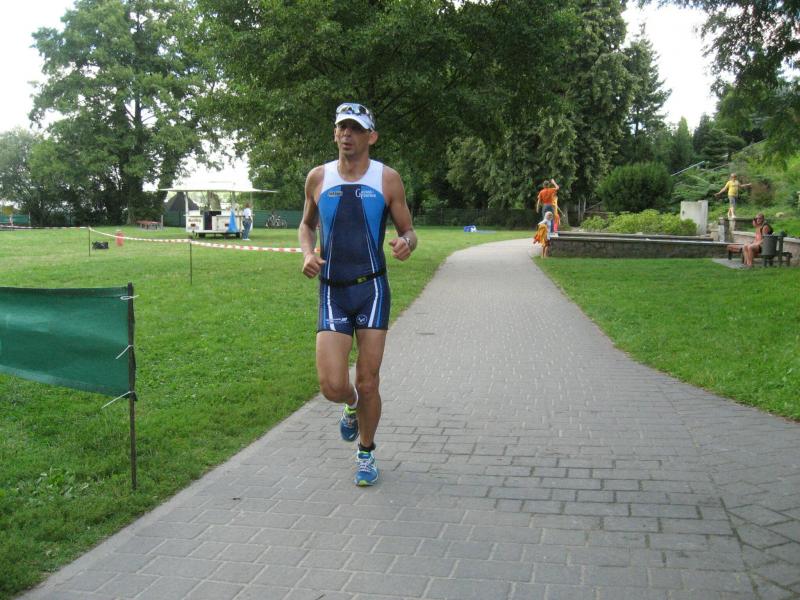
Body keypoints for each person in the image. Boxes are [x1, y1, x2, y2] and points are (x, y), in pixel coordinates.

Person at [299, 102, 416, 486]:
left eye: (355, 128)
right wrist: (307, 253)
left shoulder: (388, 179)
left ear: (371, 136)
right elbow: (306, 225)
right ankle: (350, 406)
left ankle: (366, 452)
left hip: (372, 290)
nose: (346, 134)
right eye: (341, 127)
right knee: (333, 385)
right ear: (335, 133)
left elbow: (408, 230)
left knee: (368, 382)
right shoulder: (318, 178)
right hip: (332, 291)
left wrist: (406, 243)